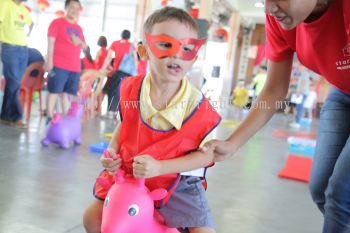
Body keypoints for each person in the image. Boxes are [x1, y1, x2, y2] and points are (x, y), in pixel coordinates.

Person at [204, 1, 350, 232]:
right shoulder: (279, 19)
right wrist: (232, 143)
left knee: (342, 195)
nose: (269, 8)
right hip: (343, 94)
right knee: (321, 189)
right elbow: (274, 89)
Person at [83, 7, 221, 233]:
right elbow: (124, 123)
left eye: (186, 48)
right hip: (130, 170)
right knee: (91, 219)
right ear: (144, 51)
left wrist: (161, 167)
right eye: (166, 44)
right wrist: (112, 150)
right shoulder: (131, 89)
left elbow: (205, 156)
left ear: (194, 58)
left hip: (176, 179)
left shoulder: (198, 106)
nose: (176, 54)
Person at [45, 0, 87, 123]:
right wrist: (49, 61)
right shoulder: (57, 23)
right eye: (72, 7)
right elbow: (50, 42)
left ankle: (66, 119)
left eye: (77, 8)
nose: (75, 10)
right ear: (66, 8)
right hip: (58, 64)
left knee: (68, 93)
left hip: (75, 67)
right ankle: (49, 116)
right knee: (54, 91)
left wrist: (79, 42)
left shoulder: (79, 28)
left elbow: (85, 47)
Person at [0, 0, 33, 128]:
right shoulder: (4, 3)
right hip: (9, 47)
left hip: (23, 49)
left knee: (14, 83)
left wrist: (27, 35)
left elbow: (31, 23)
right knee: (13, 81)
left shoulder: (24, 9)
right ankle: (17, 116)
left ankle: (5, 116)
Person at [100, 29, 136, 118]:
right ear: (129, 36)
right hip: (128, 74)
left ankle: (111, 112)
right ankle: (118, 113)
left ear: (121, 35)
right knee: (123, 93)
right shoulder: (132, 46)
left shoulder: (115, 43)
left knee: (113, 91)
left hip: (118, 72)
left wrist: (103, 68)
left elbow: (109, 57)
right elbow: (135, 60)